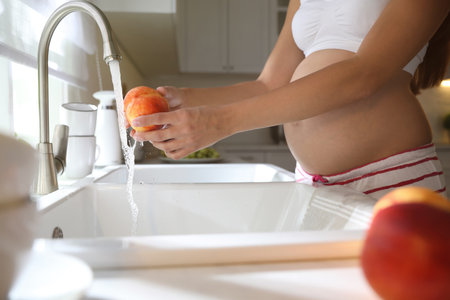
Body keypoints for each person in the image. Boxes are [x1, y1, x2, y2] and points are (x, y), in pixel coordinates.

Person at [130, 0, 450, 200]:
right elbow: (269, 84)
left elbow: (364, 75)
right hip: (313, 183)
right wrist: (184, 101)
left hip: (389, 176)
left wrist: (218, 121)